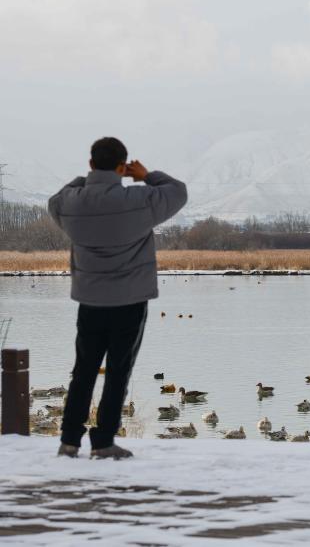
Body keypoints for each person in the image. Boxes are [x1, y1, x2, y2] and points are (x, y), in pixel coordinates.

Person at [48, 137, 187, 459]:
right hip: (129, 301)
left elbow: (56, 199)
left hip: (90, 301)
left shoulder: (73, 202)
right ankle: (103, 442)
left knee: (83, 370)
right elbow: (177, 191)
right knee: (117, 372)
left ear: (91, 163)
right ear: (123, 166)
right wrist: (145, 175)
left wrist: (91, 180)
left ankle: (69, 440)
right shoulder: (139, 200)